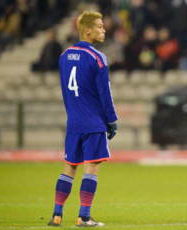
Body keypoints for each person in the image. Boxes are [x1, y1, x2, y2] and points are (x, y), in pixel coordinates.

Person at [47, 11, 118, 227]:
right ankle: (84, 217)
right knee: (91, 168)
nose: (103, 30)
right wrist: (112, 120)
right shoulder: (98, 57)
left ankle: (57, 216)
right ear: (87, 30)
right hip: (94, 122)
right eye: (99, 26)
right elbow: (105, 93)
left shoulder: (64, 56)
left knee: (69, 167)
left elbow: (66, 92)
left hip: (74, 123)